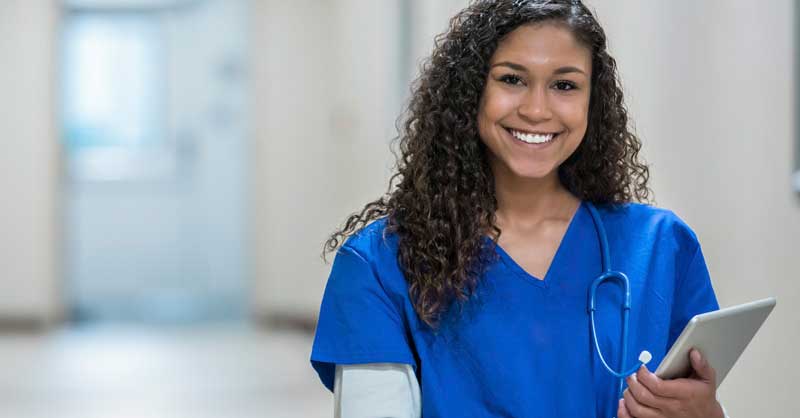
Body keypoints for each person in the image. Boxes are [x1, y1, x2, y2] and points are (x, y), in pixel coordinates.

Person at [310, 1, 728, 417]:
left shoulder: (660, 248)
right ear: (472, 90)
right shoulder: (378, 265)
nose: (536, 110)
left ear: (592, 101)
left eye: (565, 85)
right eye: (512, 79)